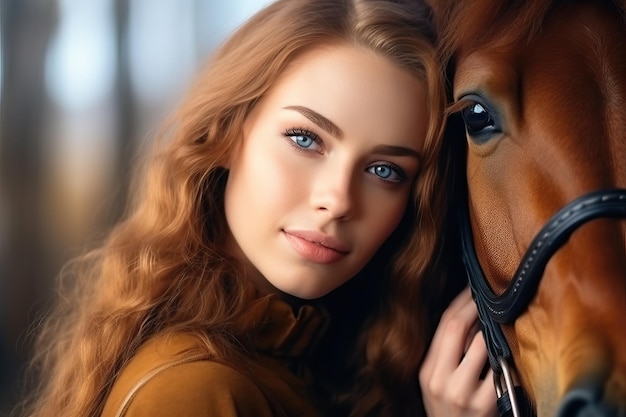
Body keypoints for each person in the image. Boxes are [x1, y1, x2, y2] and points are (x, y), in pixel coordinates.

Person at [22, 0, 497, 416]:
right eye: (305, 139)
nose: (337, 200)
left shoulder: (329, 363)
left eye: (385, 171)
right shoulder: (195, 393)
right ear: (227, 134)